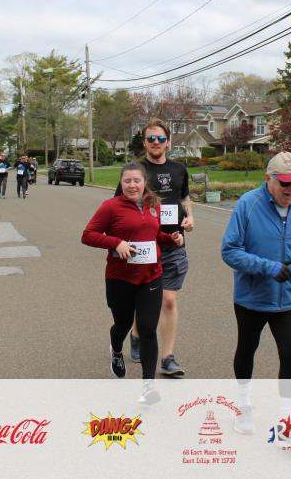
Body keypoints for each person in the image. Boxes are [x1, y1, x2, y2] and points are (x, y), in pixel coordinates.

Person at [221, 151, 291, 434]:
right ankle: (243, 407)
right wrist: (268, 267)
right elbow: (230, 251)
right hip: (252, 297)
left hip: (289, 297)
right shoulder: (248, 204)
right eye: (285, 183)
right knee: (247, 349)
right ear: (268, 179)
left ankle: (288, 421)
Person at [81, 162, 183, 405]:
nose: (132, 185)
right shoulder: (110, 207)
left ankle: (148, 387)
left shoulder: (153, 205)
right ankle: (116, 349)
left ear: (144, 182)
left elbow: (153, 235)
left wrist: (171, 238)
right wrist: (116, 243)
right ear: (121, 183)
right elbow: (87, 235)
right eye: (127, 181)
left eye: (137, 180)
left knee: (147, 329)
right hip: (120, 278)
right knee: (123, 324)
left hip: (151, 276)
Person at [117, 119, 194, 377]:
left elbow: (185, 198)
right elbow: (120, 204)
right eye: (151, 138)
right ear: (144, 142)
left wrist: (190, 217)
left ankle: (168, 357)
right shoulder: (135, 171)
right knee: (145, 301)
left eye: (160, 138)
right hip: (145, 246)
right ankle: (137, 334)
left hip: (174, 243)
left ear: (168, 142)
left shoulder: (179, 169)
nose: (156, 143)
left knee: (169, 301)